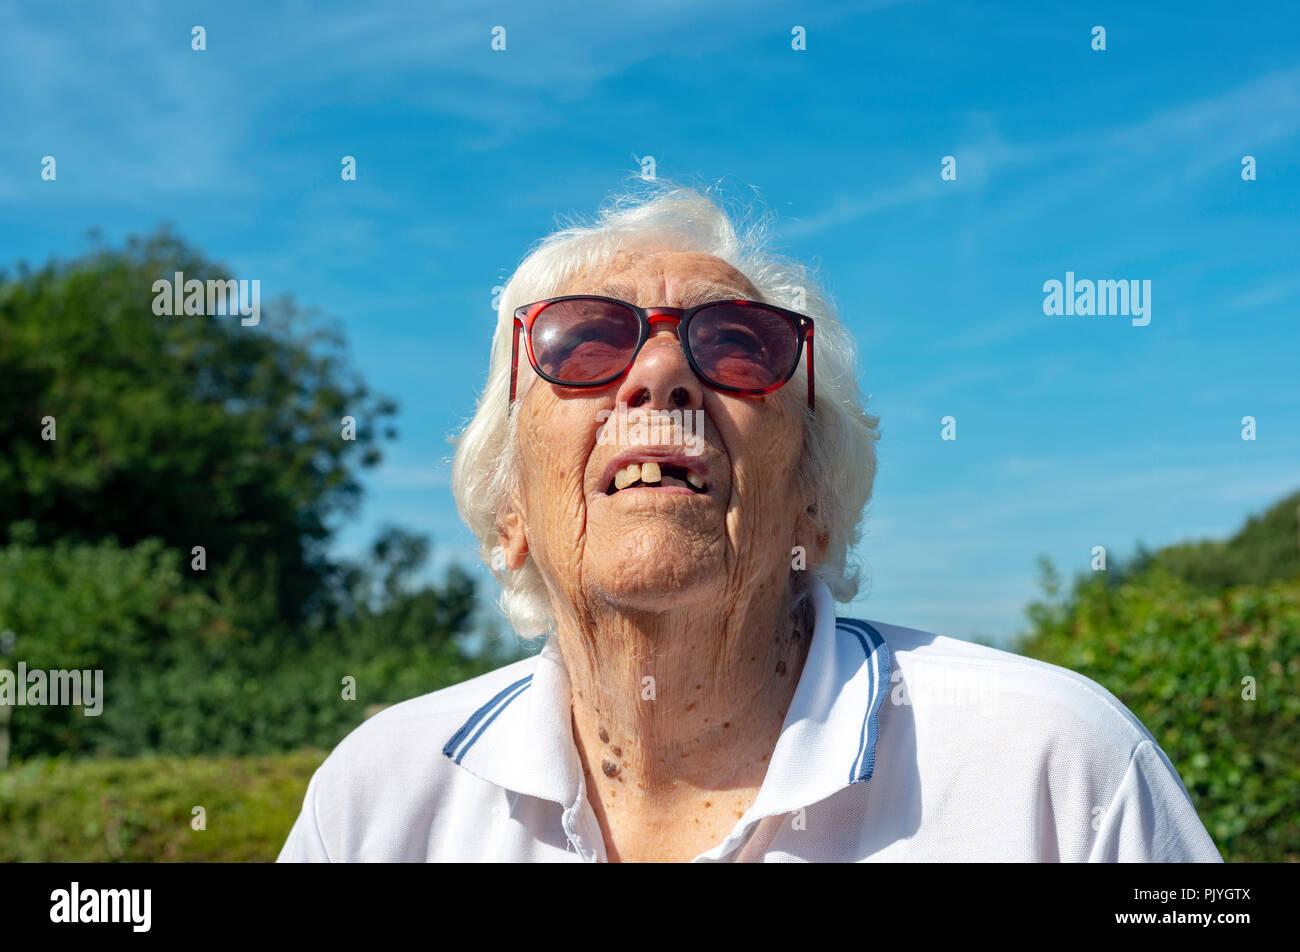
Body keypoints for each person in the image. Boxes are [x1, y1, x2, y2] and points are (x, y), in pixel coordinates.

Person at [278, 185, 1222, 862]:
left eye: (737, 347)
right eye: (586, 342)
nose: (656, 375)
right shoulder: (378, 800)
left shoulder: (1055, 769)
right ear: (509, 508)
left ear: (814, 493)